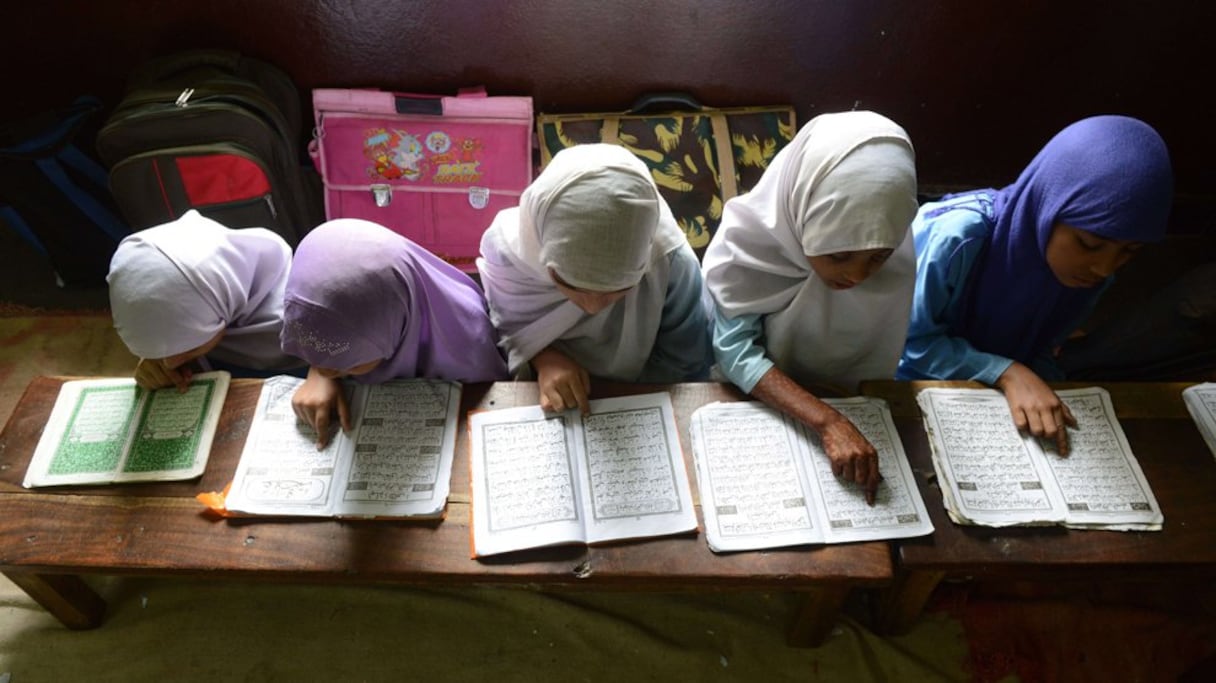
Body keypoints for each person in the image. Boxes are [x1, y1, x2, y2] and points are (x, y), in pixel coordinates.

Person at [897, 115, 1173, 455]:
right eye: (1088, 244)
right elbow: (908, 345)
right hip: (908, 388)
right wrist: (1008, 373)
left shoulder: (1088, 270)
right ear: (1047, 207)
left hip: (986, 396)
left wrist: (1046, 390)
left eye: (1130, 251)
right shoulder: (961, 236)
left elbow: (1043, 346)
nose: (1104, 268)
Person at [702, 110, 919, 505]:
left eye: (878, 257)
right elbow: (734, 353)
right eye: (837, 255)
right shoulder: (750, 245)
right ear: (799, 213)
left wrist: (842, 414)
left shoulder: (896, 246)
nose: (857, 276)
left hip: (856, 398)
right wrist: (827, 421)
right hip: (753, 400)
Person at [477, 143, 712, 415]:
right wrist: (542, 357)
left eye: (620, 287)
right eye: (568, 282)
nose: (592, 306)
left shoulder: (669, 263)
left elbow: (684, 362)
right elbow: (505, 325)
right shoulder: (510, 253)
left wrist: (616, 400)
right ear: (539, 242)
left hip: (645, 392)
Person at [281, 218, 509, 447]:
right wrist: (317, 376)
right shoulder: (353, 328)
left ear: (399, 326)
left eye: (348, 364)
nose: (328, 370)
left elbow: (488, 405)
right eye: (311, 356)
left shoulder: (468, 347)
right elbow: (324, 335)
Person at [107, 210, 303, 391]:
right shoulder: (205, 305)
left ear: (223, 298)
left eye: (187, 346)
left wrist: (324, 376)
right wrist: (153, 365)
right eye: (161, 351)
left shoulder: (310, 314)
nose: (170, 363)